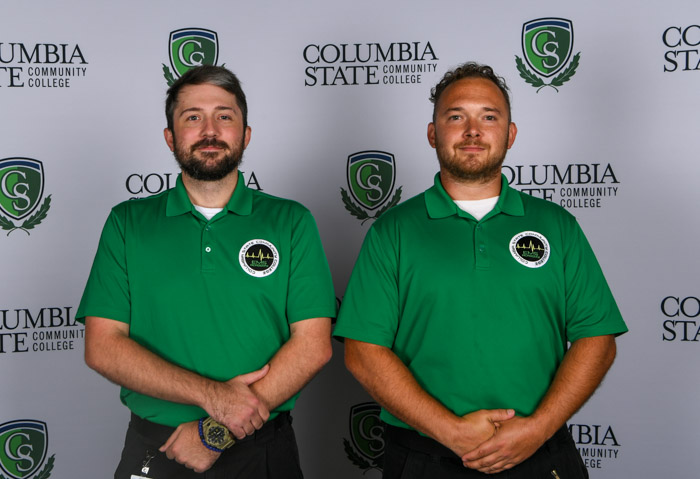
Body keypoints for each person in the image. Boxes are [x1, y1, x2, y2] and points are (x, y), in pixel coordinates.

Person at [333, 62, 627, 478]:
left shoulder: (556, 225)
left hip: (538, 451)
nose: (473, 130)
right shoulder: (392, 231)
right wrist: (449, 430)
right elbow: (363, 352)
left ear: (510, 133)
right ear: (433, 133)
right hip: (424, 457)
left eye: (489, 117)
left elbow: (597, 339)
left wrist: (538, 428)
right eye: (456, 117)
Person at [77, 65, 336, 478]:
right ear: (171, 137)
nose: (210, 130)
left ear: (245, 134)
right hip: (158, 446)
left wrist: (215, 432)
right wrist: (213, 397)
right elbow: (103, 346)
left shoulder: (291, 222)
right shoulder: (128, 223)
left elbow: (313, 345)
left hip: (261, 450)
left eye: (225, 116)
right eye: (192, 117)